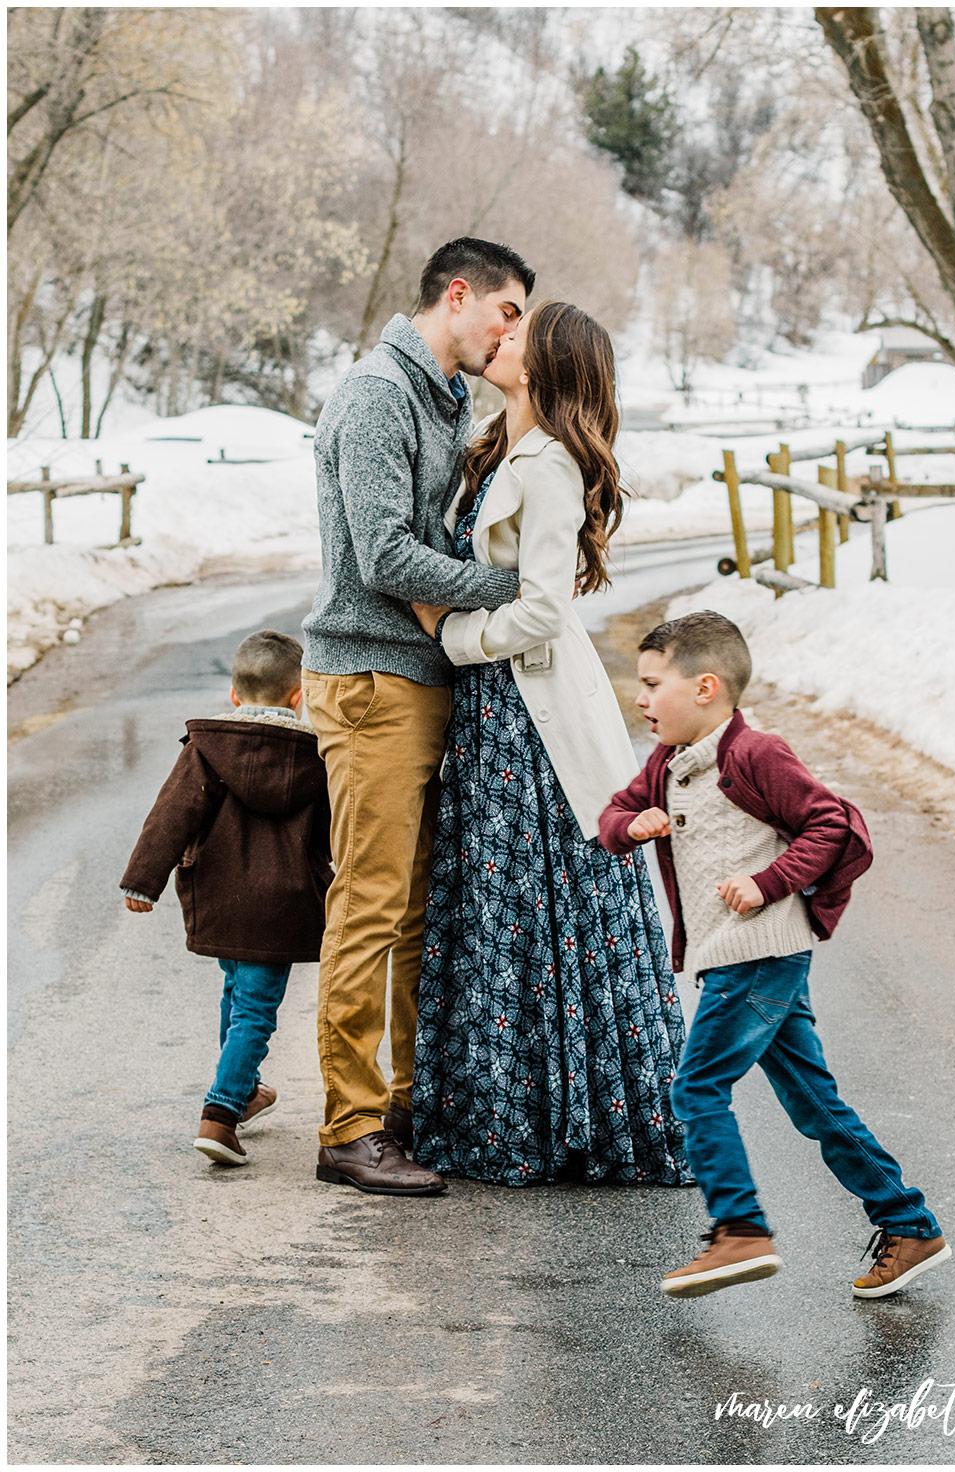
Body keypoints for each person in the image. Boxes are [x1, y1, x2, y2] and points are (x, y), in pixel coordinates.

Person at [408, 302, 690, 1187]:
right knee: (502, 910)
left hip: (530, 713)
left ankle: (568, 1117)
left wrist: (447, 636)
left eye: (520, 336)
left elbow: (541, 608)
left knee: (543, 902)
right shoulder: (496, 443)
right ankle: (504, 1106)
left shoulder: (553, 465)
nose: (503, 339)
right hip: (492, 712)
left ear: (545, 366)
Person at [598, 611, 951, 1298]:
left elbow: (833, 823)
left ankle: (740, 1231)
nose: (639, 699)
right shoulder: (668, 764)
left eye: (650, 684)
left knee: (696, 1088)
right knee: (814, 1103)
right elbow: (614, 812)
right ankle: (909, 1225)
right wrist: (630, 825)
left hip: (759, 952)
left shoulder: (756, 753)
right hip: (746, 956)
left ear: (705, 687)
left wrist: (768, 883)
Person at [301, 238, 535, 1196]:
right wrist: (511, 592)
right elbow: (384, 556)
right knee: (371, 904)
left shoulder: (444, 398)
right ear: (459, 293)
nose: (512, 331)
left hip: (422, 679)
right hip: (370, 680)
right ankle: (350, 1130)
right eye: (509, 311)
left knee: (412, 911)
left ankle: (398, 1108)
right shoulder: (374, 395)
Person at [120, 629, 332, 1168]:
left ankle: (239, 1093)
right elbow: (334, 834)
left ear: (235, 695)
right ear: (298, 695)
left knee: (238, 997)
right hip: (282, 906)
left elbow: (171, 815)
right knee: (255, 1010)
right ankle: (221, 1112)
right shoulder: (317, 757)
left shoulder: (207, 747)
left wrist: (143, 882)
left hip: (220, 895)